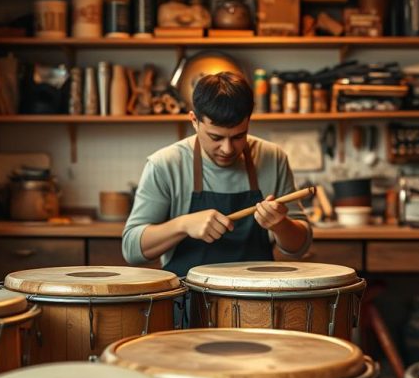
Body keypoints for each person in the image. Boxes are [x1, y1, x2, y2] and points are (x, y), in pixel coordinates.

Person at [122, 71, 312, 276]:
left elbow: (300, 248)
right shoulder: (165, 164)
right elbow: (132, 249)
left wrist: (281, 225)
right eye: (216, 137)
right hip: (188, 301)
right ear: (194, 120)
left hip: (257, 299)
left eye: (239, 136)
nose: (228, 148)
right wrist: (183, 225)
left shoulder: (272, 158)